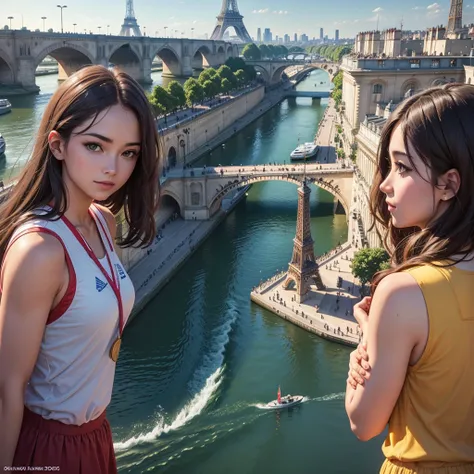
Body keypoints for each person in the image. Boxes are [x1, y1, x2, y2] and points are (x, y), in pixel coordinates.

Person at [0, 65, 160, 472]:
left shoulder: (103, 222)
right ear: (57, 145)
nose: (113, 168)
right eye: (95, 146)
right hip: (49, 447)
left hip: (95, 435)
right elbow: (7, 391)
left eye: (128, 153)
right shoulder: (40, 251)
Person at [345, 84, 474, 473]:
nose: (385, 183)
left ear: (449, 185)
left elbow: (363, 422)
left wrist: (367, 340)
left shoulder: (404, 293)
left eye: (401, 167)